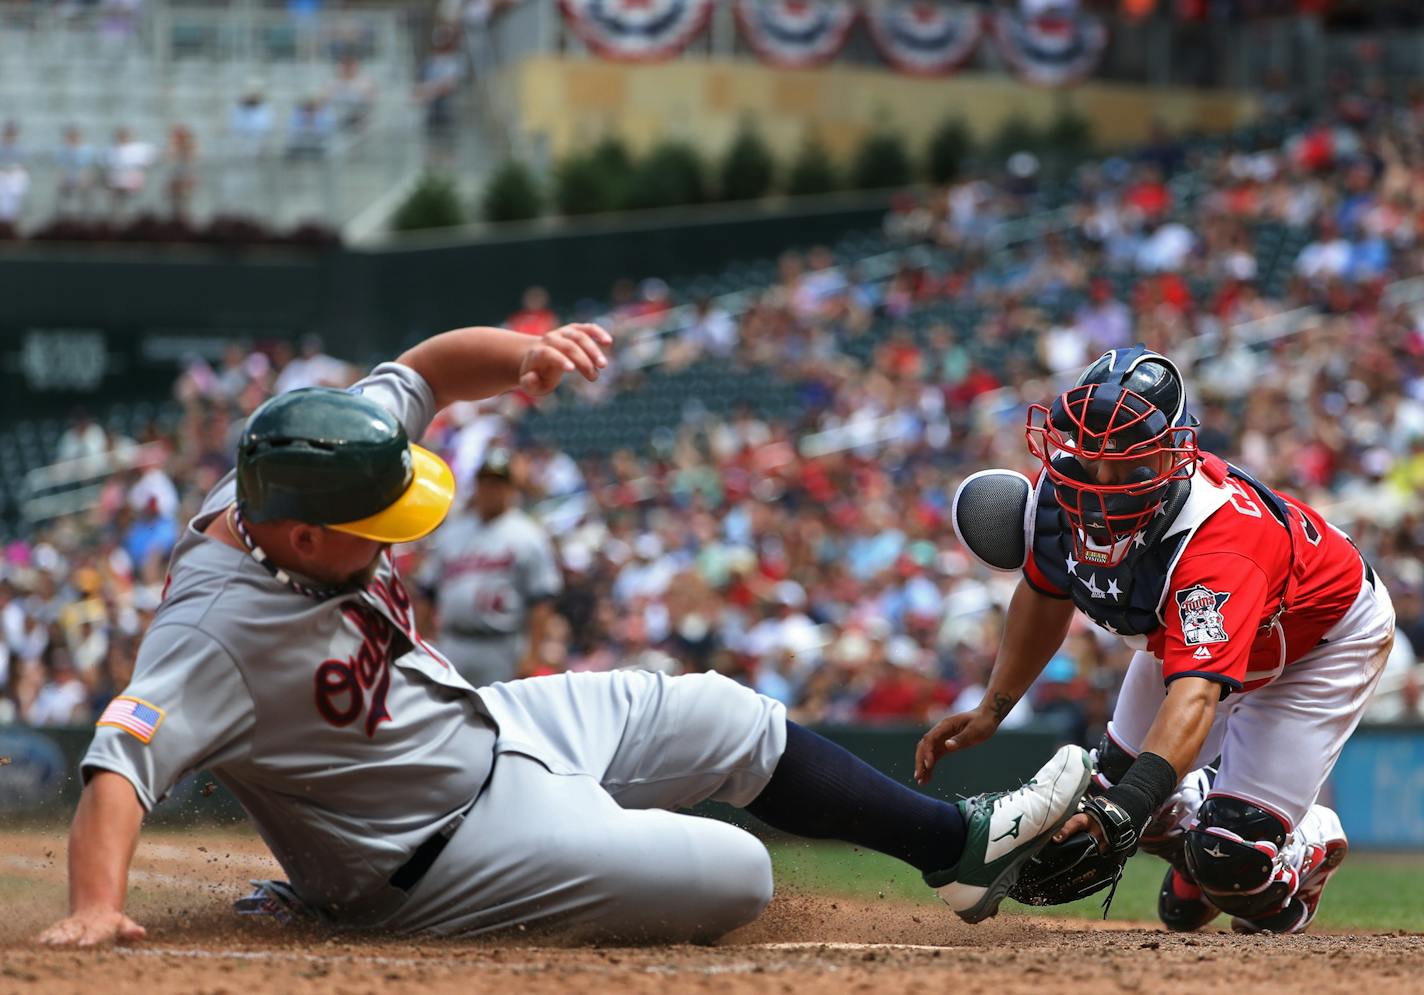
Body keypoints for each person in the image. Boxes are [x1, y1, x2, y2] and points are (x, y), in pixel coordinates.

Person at [36, 321, 1091, 947]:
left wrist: (527, 355)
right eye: (374, 529)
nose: (398, 534)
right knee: (737, 877)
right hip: (437, 860)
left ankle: (955, 849)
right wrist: (93, 907)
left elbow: (427, 371)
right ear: (298, 533)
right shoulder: (214, 631)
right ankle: (334, 897)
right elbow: (117, 767)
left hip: (484, 728)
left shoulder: (310, 455)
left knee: (725, 712)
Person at [923, 344, 1394, 934]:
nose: (1101, 478)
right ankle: (1195, 814)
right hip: (1193, 639)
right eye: (1091, 453)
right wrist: (994, 706)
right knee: (1151, 851)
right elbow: (1046, 593)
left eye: (1126, 460)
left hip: (1315, 645)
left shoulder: (1219, 540)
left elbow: (1195, 695)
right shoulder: (1058, 493)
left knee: (1231, 865)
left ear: (1173, 456)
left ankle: (1303, 843)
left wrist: (1126, 807)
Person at [419, 448, 562, 686]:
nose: (490, 490)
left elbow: (542, 601)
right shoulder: (452, 533)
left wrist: (533, 654)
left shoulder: (528, 535)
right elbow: (427, 591)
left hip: (502, 645)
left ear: (511, 488)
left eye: (498, 483)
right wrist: (423, 641)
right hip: (452, 642)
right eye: (485, 482)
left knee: (499, 719)